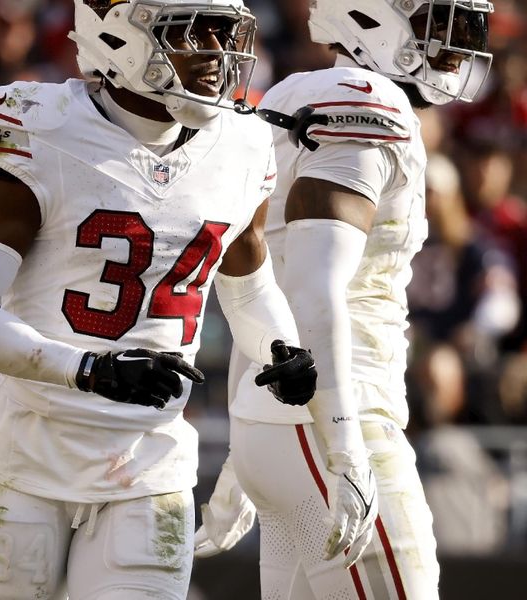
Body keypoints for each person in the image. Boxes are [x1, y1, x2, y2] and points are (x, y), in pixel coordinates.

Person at [0, 1, 316, 598]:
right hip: (30, 456)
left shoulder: (242, 143)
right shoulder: (45, 127)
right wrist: (87, 369)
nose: (218, 53)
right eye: (192, 29)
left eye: (224, 29)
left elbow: (248, 283)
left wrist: (281, 348)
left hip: (150, 463)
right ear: (118, 35)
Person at [194, 0, 494, 598]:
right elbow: (309, 286)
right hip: (334, 416)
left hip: (284, 416)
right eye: (442, 23)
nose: (459, 45)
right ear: (370, 17)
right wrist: (347, 449)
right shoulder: (364, 101)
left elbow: (259, 283)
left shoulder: (289, 96)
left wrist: (246, 436)